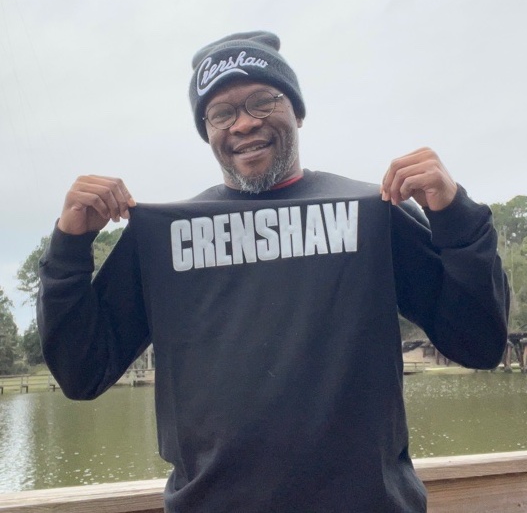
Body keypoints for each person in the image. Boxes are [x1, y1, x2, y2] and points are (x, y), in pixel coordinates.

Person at [38, 31, 509, 513]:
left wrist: (456, 217)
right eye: (221, 113)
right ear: (207, 131)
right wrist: (69, 247)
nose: (243, 123)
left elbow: (478, 342)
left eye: (262, 102)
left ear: (297, 112)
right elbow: (82, 372)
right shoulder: (166, 238)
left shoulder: (372, 214)